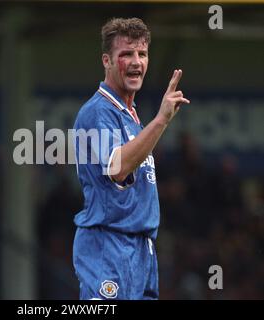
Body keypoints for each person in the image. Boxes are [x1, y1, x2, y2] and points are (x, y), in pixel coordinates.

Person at [72, 18, 190, 300]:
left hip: (142, 249)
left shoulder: (132, 117)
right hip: (108, 246)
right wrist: (162, 119)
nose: (136, 62)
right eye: (126, 54)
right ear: (107, 61)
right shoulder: (97, 111)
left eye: (142, 54)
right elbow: (118, 167)